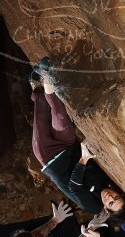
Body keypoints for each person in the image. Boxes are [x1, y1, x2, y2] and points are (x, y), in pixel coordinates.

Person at [30, 58, 107, 213]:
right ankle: (45, 75)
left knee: (41, 110)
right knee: (59, 115)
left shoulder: (94, 206)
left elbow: (74, 187)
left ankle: (37, 87)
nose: (111, 197)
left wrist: (84, 160)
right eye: (116, 198)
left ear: (107, 210)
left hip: (50, 158)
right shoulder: (107, 185)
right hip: (68, 146)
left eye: (110, 203)